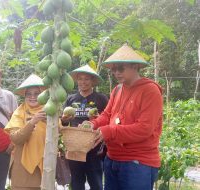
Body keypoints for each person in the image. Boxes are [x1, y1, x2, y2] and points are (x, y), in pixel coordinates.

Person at [88, 44, 163, 190]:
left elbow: (144, 129)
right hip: (112, 158)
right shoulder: (117, 89)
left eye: (120, 68)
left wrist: (109, 131)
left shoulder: (150, 90)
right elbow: (107, 115)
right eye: (113, 69)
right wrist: (93, 124)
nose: (116, 72)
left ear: (135, 66)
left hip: (137, 162)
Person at [61, 65, 108, 190]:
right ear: (76, 81)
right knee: (77, 183)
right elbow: (64, 122)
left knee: (96, 183)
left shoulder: (101, 99)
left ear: (92, 81)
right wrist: (65, 121)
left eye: (87, 79)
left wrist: (98, 121)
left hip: (94, 149)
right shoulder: (71, 99)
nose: (83, 82)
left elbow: (108, 118)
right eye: (80, 79)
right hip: (75, 147)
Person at [5, 74, 47, 190]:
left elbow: (58, 132)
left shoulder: (48, 111)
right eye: (29, 94)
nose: (32, 97)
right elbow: (16, 139)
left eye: (36, 93)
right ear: (24, 95)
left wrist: (51, 122)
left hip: (45, 167)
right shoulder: (19, 113)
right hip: (22, 169)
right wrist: (32, 122)